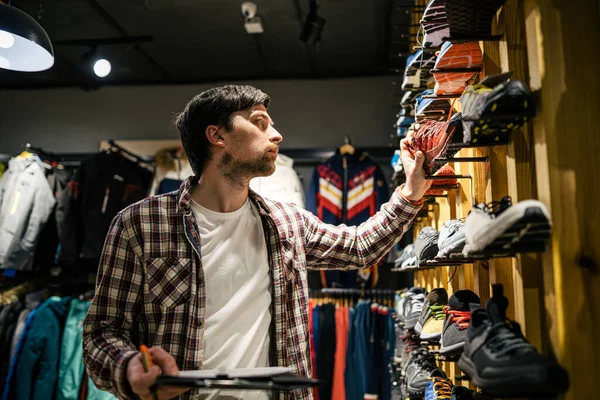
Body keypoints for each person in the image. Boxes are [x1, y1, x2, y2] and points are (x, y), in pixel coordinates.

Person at [82, 85, 431, 400]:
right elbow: (101, 332)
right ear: (217, 135)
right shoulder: (140, 224)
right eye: (260, 122)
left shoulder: (286, 222)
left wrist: (412, 191)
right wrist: (129, 368)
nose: (277, 135)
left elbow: (359, 248)